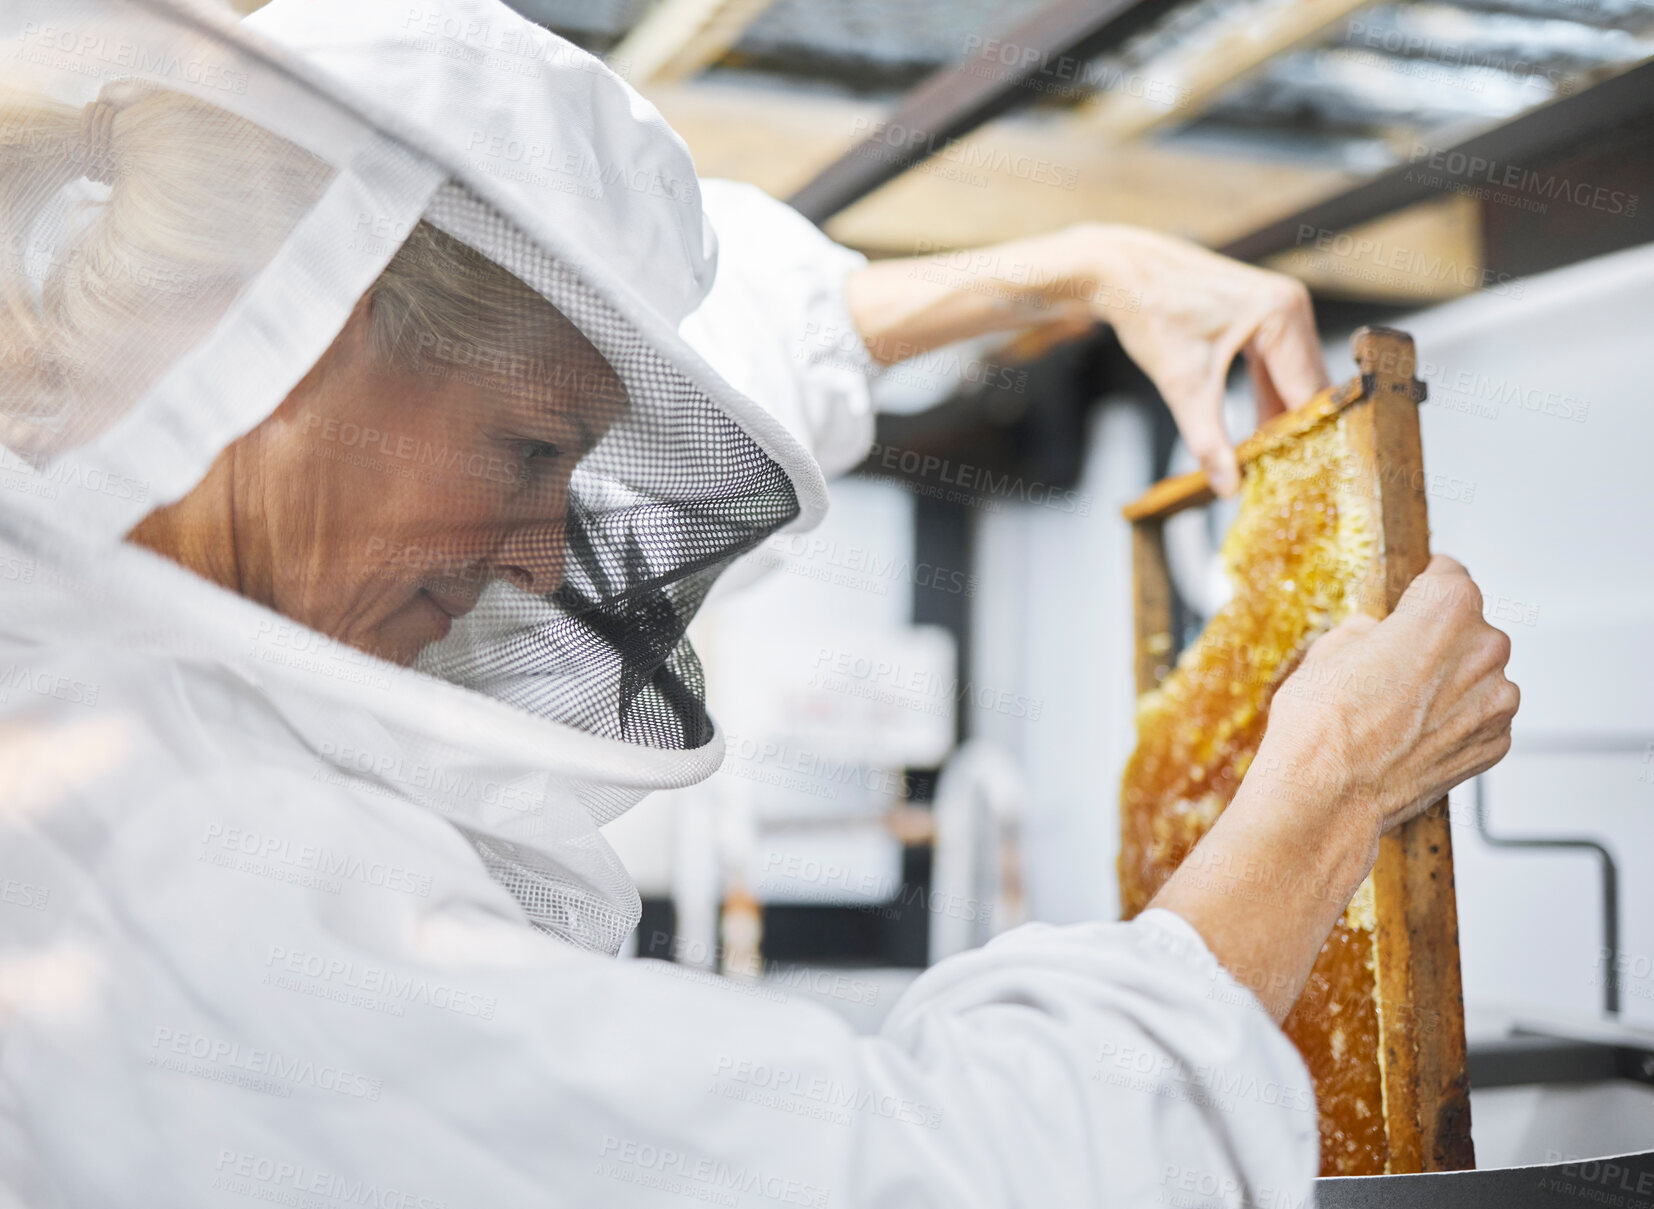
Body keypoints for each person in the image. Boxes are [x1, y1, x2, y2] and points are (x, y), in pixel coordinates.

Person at [0, 3, 1517, 1207]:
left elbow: (679, 340)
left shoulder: (112, 616)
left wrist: (1074, 261)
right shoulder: (157, 856)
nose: (543, 561)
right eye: (534, 453)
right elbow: (941, 1184)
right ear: (295, 341)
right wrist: (1325, 788)